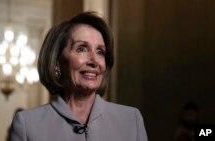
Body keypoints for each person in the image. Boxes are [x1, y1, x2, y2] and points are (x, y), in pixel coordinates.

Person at [9, 11, 148, 141]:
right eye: (81, 49)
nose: (94, 61)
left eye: (100, 52)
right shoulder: (27, 124)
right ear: (57, 62)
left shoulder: (131, 120)